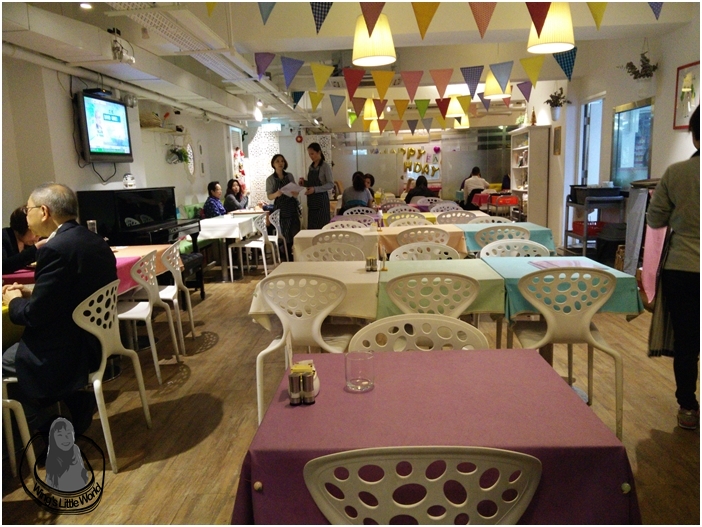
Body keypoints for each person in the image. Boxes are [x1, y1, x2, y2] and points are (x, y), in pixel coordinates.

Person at [2, 183, 117, 436]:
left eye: (28, 210)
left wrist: (13, 299)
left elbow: (33, 316)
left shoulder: (55, 248)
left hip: (70, 349)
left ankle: (52, 431)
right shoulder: (92, 239)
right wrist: (32, 292)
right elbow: (73, 291)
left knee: (4, 362)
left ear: (44, 212)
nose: (26, 217)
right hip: (98, 339)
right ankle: (75, 402)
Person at [647, 105, 700, 430]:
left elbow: (656, 219)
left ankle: (688, 407)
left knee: (687, 342)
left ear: (693, 135)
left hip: (683, 268)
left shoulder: (677, 173)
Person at [266, 154, 300, 260]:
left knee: (295, 232)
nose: (280, 163)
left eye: (282, 161)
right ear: (273, 164)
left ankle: (295, 257)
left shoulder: (289, 176)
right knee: (285, 234)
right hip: (281, 209)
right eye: (277, 161)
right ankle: (285, 257)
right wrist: (277, 193)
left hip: (292, 207)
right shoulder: (270, 179)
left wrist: (295, 192)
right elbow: (269, 196)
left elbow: (296, 192)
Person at [45, 417, 89, 492]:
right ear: (53, 439)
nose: (65, 438)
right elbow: (50, 478)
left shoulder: (75, 449)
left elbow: (81, 470)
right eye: (60, 435)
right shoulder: (52, 454)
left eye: (68, 433)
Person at [299, 143, 333, 229]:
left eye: (312, 153)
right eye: (309, 154)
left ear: (319, 152)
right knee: (312, 226)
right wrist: (304, 183)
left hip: (321, 201)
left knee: (322, 226)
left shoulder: (325, 166)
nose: (311, 156)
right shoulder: (311, 167)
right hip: (312, 201)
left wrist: (315, 189)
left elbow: (330, 184)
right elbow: (311, 184)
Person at [2, 207, 45, 274]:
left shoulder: (27, 240)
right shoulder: (3, 237)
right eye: (34, 231)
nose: (39, 235)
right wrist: (36, 248)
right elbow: (3, 266)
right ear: (21, 227)